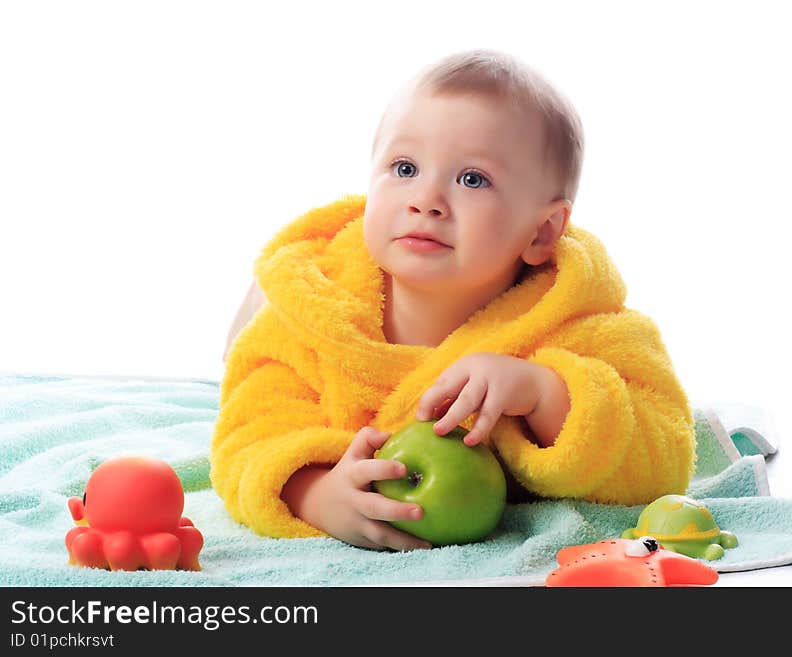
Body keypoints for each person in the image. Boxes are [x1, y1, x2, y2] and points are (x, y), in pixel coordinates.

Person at [210, 49, 695, 551]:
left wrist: (544, 392)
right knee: (255, 331)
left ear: (542, 231)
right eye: (404, 168)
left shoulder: (578, 321)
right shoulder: (315, 312)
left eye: (472, 179)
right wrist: (315, 494)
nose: (425, 199)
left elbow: (666, 453)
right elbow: (246, 439)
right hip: (289, 311)